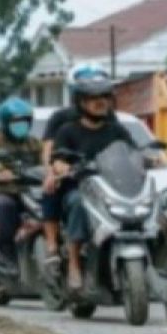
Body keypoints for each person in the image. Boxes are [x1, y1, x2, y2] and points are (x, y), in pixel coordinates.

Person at [50, 68, 136, 292]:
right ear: (81, 102)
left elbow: (134, 152)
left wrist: (152, 158)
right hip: (80, 189)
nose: (101, 102)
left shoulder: (116, 130)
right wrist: (63, 166)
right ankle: (74, 265)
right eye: (94, 98)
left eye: (105, 97)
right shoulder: (67, 131)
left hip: (113, 190)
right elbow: (57, 158)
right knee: (78, 203)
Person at [0, 97, 44, 267]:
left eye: (24, 122)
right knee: (4, 206)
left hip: (31, 192)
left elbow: (46, 160)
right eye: (16, 122)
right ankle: (6, 251)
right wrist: (2, 172)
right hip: (4, 191)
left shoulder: (34, 143)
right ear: (5, 123)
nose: (21, 126)